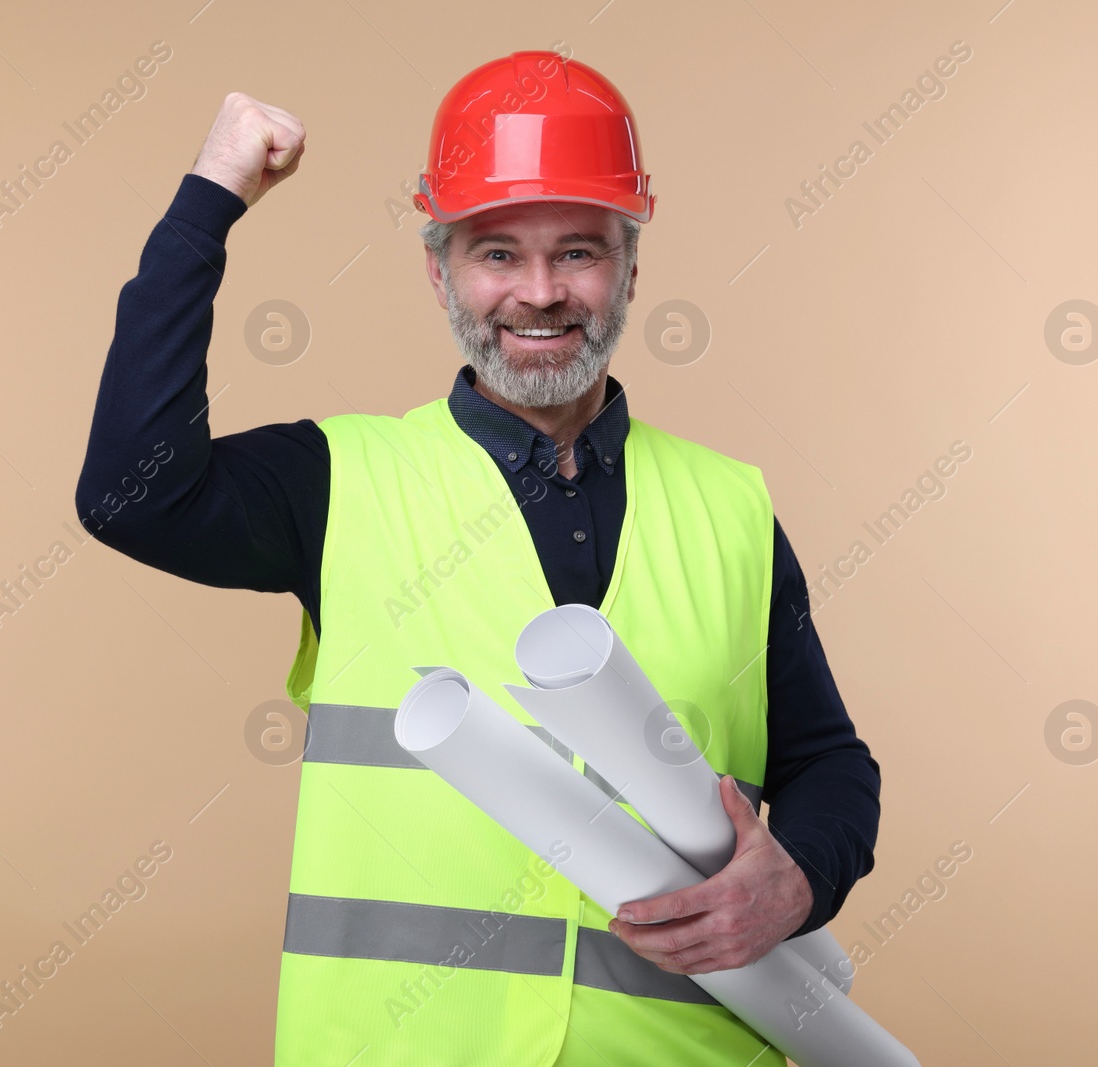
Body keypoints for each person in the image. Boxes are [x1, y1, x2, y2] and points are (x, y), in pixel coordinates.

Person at [76, 50, 881, 1067]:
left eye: (579, 251)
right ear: (438, 267)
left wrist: (799, 875)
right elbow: (128, 492)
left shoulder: (729, 507)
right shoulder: (337, 483)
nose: (540, 294)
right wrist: (210, 199)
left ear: (630, 266)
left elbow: (826, 760)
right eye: (496, 252)